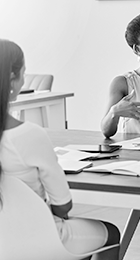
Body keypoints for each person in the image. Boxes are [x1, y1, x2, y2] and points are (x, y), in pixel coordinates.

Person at [0, 39, 120, 259]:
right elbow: (63, 206)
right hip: (40, 239)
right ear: (12, 79)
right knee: (111, 233)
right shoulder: (29, 135)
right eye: (23, 74)